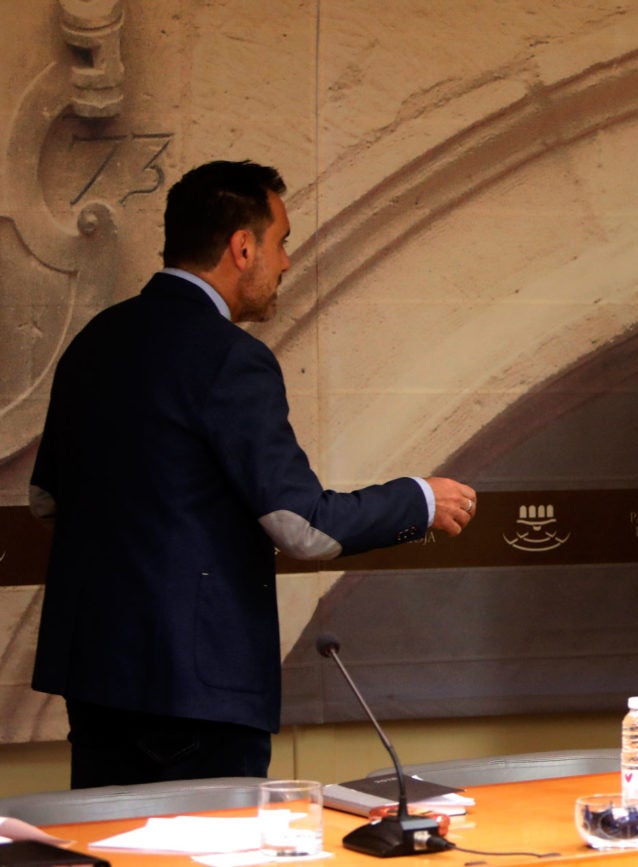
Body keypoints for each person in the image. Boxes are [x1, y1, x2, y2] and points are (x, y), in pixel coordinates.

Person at [29, 160, 478, 788]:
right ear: (243, 247)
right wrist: (420, 500)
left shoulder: (96, 340)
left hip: (95, 684)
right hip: (197, 696)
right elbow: (303, 528)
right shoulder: (232, 358)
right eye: (282, 240)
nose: (288, 261)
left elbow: (46, 497)